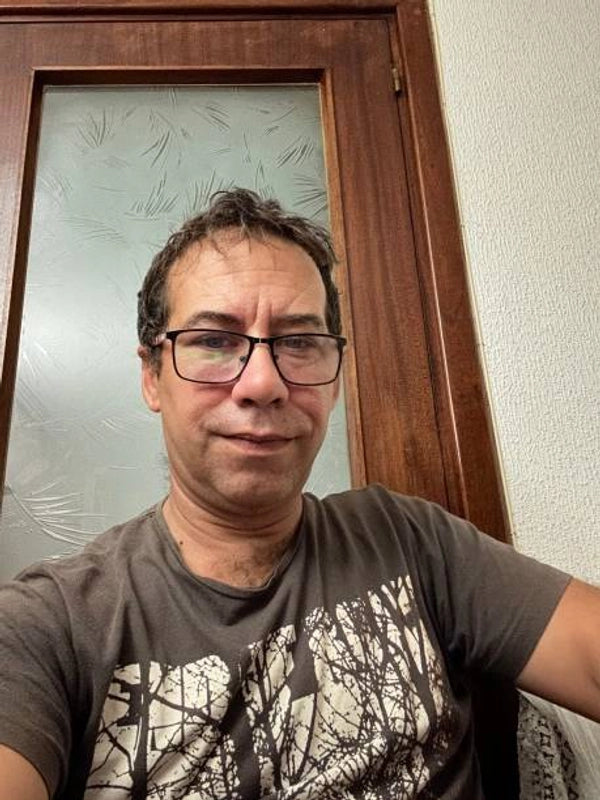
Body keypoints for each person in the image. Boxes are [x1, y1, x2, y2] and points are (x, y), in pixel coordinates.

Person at [0, 188, 598, 800]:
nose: (263, 383)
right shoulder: (49, 625)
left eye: (299, 343)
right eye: (214, 340)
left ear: (334, 381)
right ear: (152, 375)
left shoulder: (411, 540)